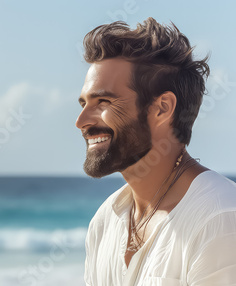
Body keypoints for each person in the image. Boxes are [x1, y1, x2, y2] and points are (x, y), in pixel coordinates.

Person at [76, 17, 236, 285]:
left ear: (162, 108)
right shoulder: (105, 221)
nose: (81, 121)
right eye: (83, 103)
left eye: (103, 101)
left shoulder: (220, 218)